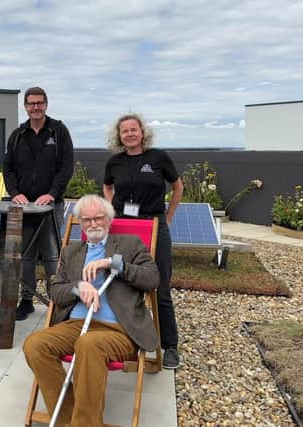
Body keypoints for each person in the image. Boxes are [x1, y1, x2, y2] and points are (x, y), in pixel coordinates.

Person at [23, 194, 160, 427]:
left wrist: (113, 264)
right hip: (76, 325)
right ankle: (71, 418)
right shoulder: (71, 253)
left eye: (98, 218)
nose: (93, 224)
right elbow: (55, 290)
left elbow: (152, 278)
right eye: (86, 220)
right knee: (34, 345)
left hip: (117, 329)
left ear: (109, 219)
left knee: (88, 345)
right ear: (80, 223)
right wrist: (78, 287)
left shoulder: (130, 244)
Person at [103, 113, 184, 369]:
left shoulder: (158, 157)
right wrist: (109, 211)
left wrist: (168, 216)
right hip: (124, 227)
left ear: (142, 132)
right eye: (124, 131)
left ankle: (169, 346)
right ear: (119, 136)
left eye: (133, 130)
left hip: (153, 225)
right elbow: (107, 187)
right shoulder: (114, 162)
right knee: (120, 282)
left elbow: (177, 186)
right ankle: (123, 337)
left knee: (159, 285)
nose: (129, 134)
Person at [3, 86, 74, 321]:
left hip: (50, 207)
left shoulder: (59, 131)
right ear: (25, 106)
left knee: (53, 255)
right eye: (31, 103)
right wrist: (14, 192)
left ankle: (58, 302)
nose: (35, 107)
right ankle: (26, 300)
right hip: (23, 207)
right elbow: (8, 168)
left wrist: (53, 193)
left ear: (46, 104)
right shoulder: (17, 135)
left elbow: (66, 166)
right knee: (26, 256)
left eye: (39, 103)